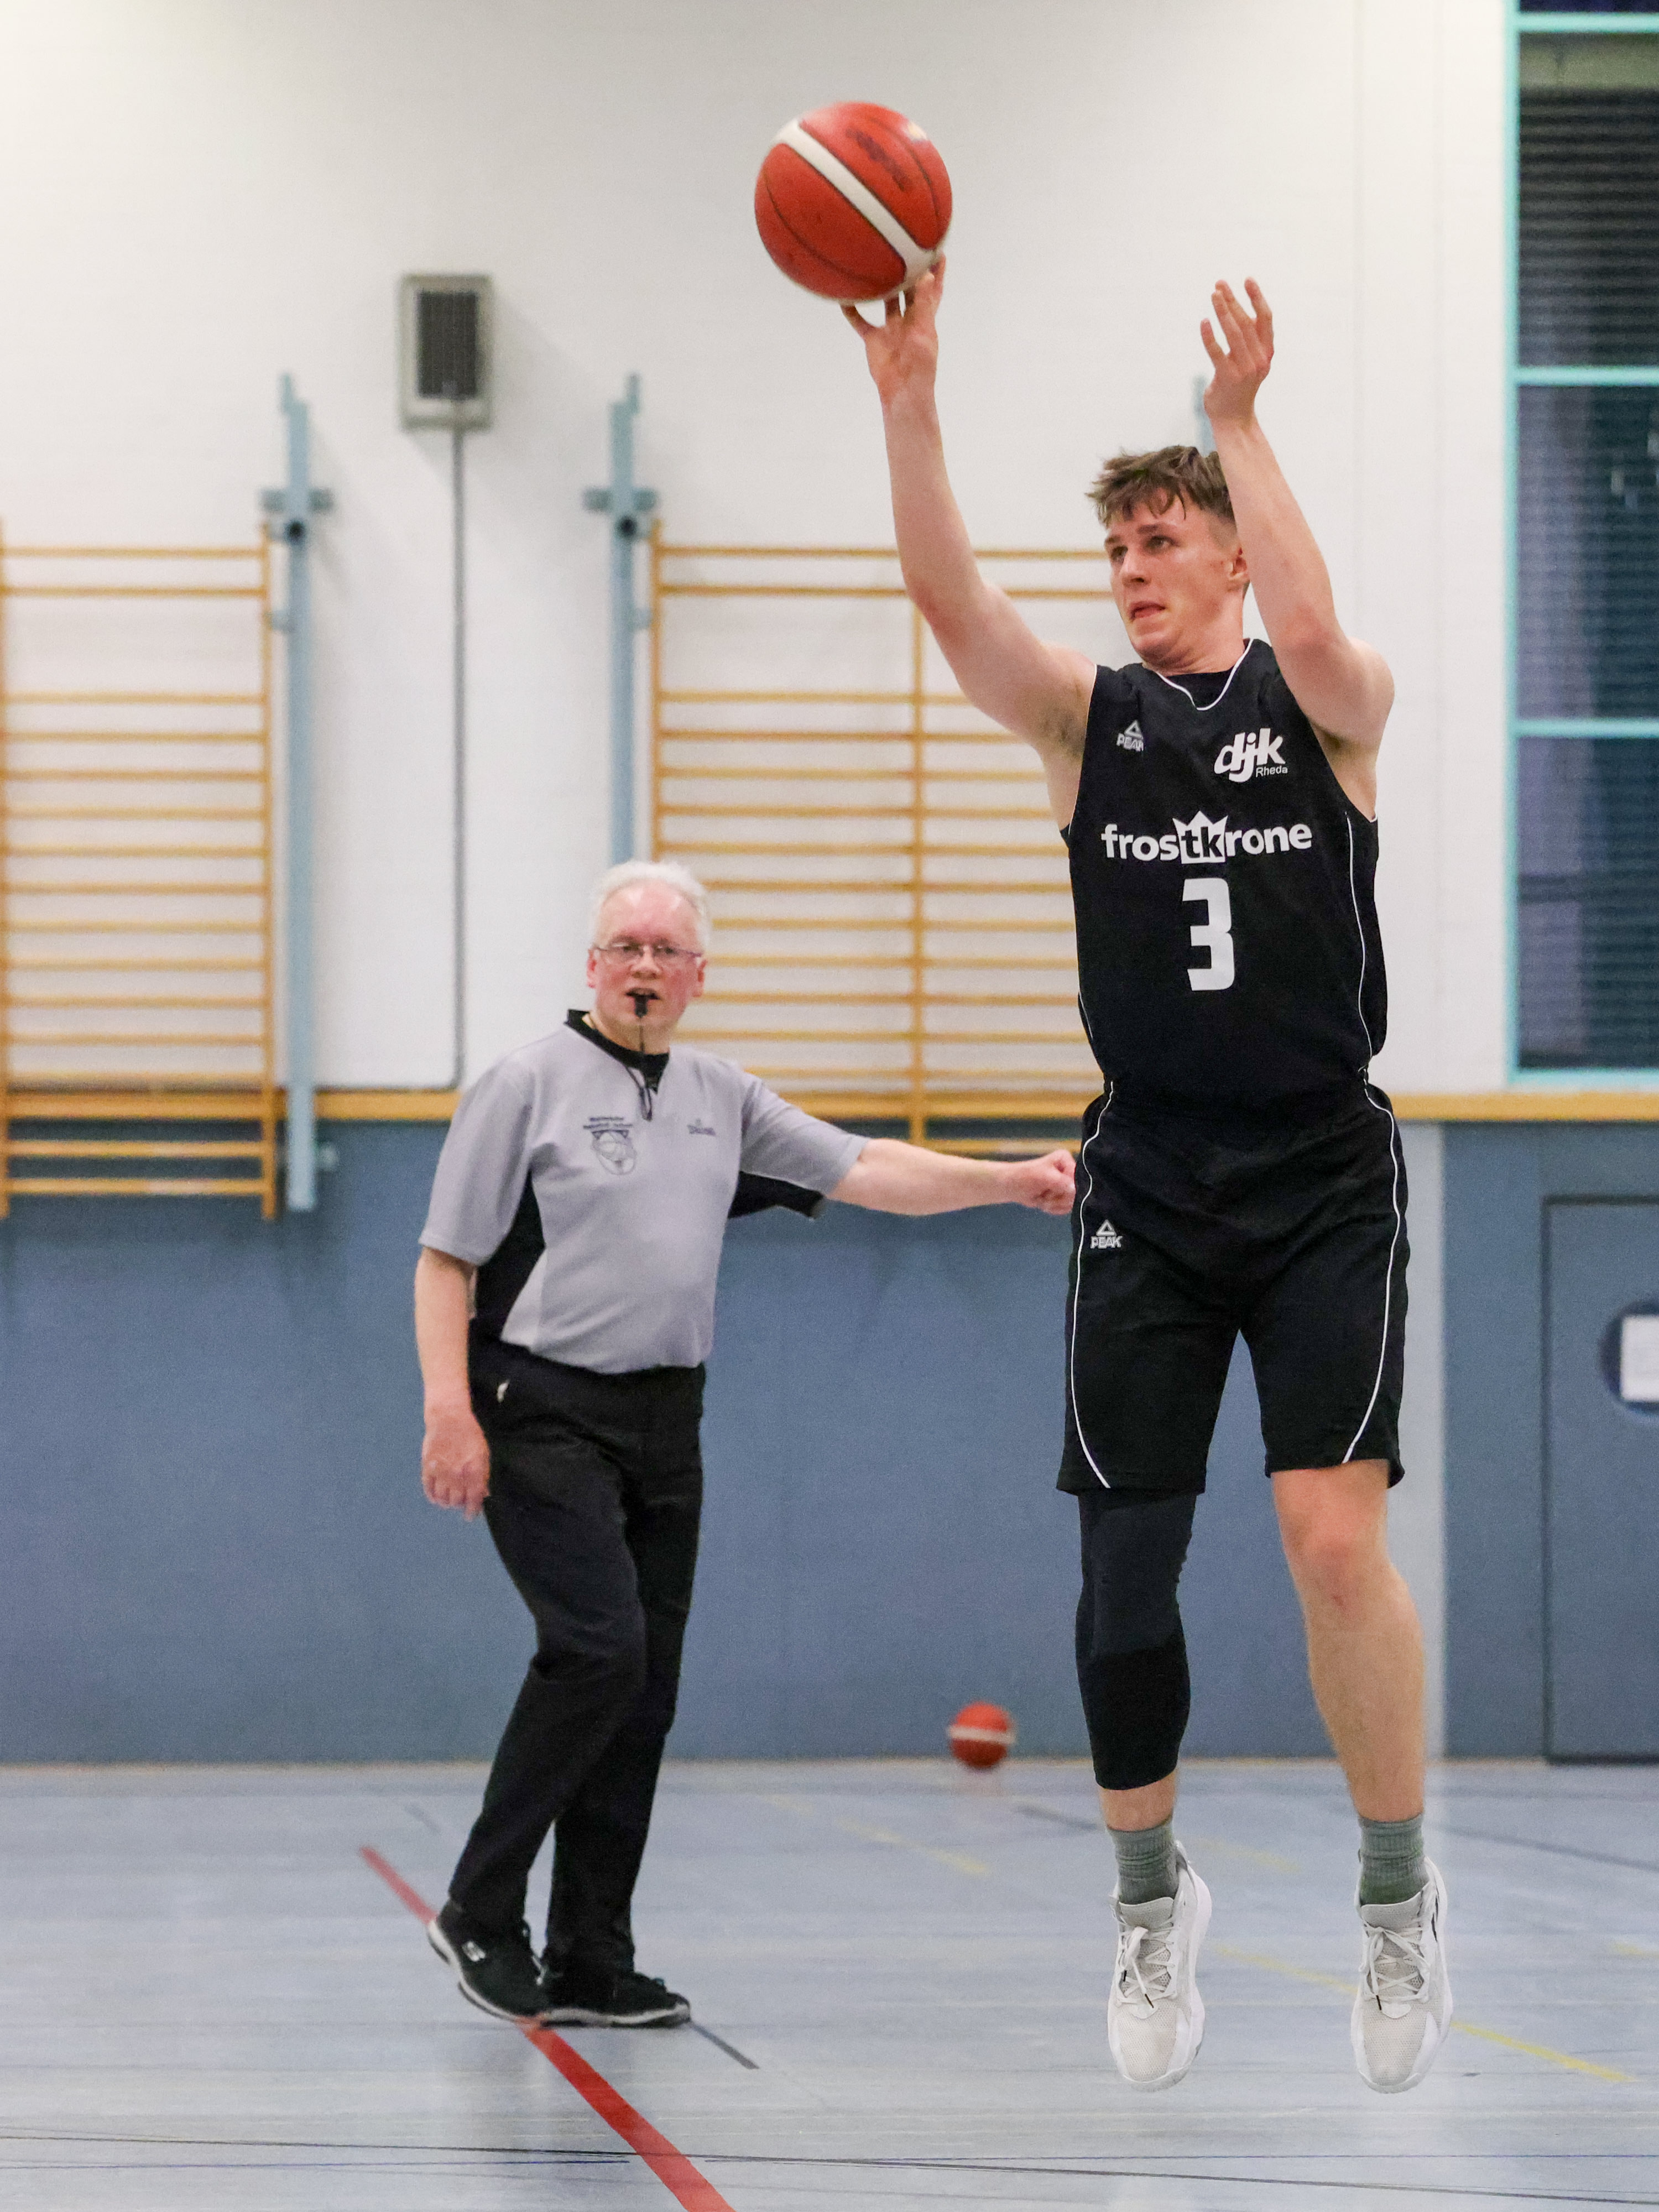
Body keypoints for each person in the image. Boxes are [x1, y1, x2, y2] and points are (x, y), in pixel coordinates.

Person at [844, 269, 1449, 2095]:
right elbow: (952, 604)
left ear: (1232, 555)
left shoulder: (1328, 711)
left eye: (1161, 539)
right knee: (1124, 1570)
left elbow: (1319, 624)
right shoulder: (1083, 727)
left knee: (1330, 1539)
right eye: (1114, 547)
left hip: (1321, 1170)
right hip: (1153, 1180)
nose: (1130, 569)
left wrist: (1240, 420)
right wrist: (909, 399)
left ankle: (1396, 1898)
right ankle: (1145, 1902)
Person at [415, 857, 1074, 2030]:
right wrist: (447, 1409)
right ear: (592, 965)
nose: (645, 967)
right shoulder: (523, 1085)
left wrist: (1010, 1182)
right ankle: (479, 1906)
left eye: (667, 951)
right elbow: (445, 1260)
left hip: (667, 1418)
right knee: (597, 1648)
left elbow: (866, 1165)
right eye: (627, 947)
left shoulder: (724, 1097)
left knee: (644, 1687)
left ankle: (592, 1955)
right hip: (538, 1403)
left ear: (699, 976)